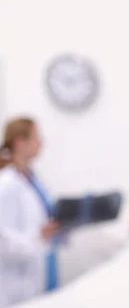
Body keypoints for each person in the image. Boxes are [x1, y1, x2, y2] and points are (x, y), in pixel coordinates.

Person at [0, 117, 60, 308]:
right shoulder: (6, 184)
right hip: (15, 285)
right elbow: (3, 240)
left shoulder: (33, 179)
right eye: (36, 137)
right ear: (20, 142)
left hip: (39, 274)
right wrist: (38, 237)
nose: (41, 143)